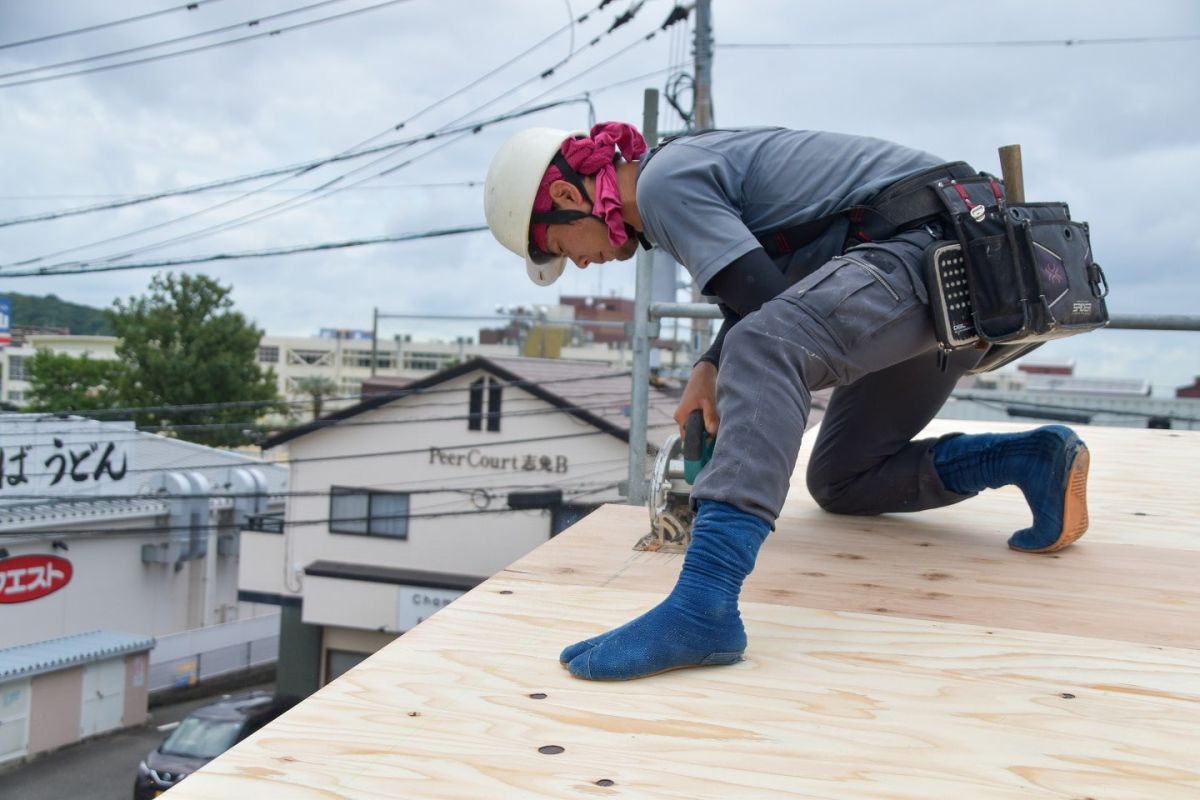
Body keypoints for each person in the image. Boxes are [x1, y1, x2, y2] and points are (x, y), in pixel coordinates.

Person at [483, 123, 1091, 681]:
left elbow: (773, 321)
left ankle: (704, 605)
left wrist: (731, 365)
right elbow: (785, 296)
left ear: (566, 197)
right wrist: (710, 366)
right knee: (844, 481)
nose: (580, 263)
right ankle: (1029, 458)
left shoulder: (664, 186)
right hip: (956, 277)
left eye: (561, 248)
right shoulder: (678, 175)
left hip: (932, 255)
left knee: (764, 345)